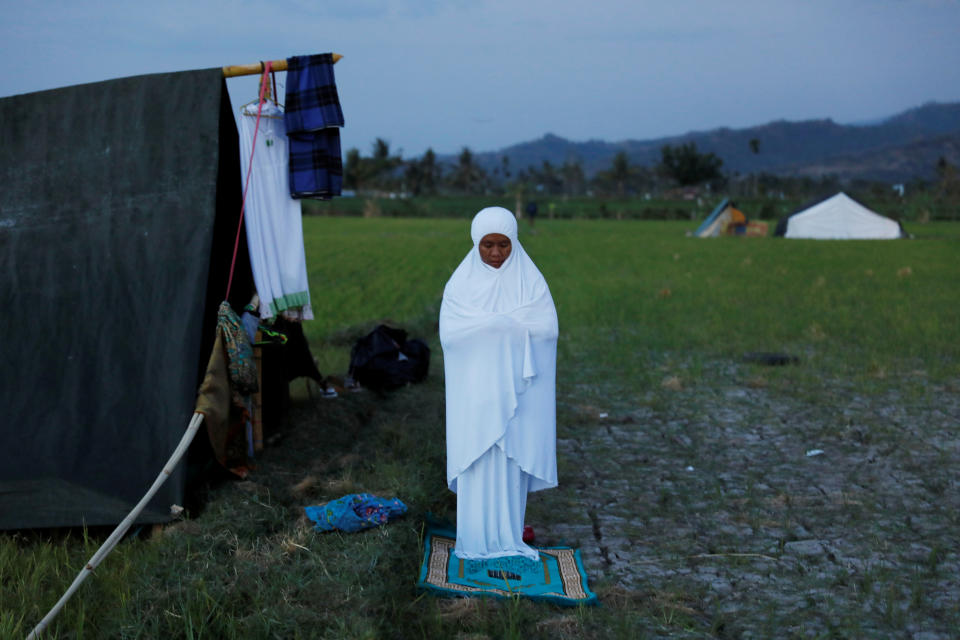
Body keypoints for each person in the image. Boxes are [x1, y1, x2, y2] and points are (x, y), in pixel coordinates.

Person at [439, 206, 558, 561]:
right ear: (476, 242)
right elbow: (451, 334)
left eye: (503, 245)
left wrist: (502, 327)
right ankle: (474, 538)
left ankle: (508, 534)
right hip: (476, 397)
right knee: (479, 462)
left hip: (517, 403)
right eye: (488, 245)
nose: (495, 253)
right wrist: (502, 327)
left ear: (514, 242)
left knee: (508, 466)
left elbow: (548, 329)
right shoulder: (460, 285)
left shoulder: (531, 281)